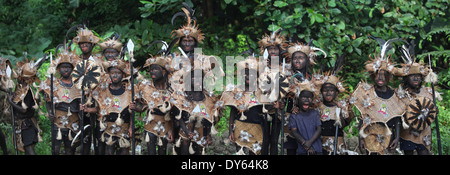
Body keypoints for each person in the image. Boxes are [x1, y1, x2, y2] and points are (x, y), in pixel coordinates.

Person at [350, 38, 406, 155]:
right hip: (369, 136)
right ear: (372, 76)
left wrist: (396, 137)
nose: (380, 78)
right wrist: (361, 138)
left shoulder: (395, 96)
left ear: (389, 77)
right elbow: (362, 117)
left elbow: (397, 119)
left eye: (384, 75)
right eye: (377, 75)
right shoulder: (367, 93)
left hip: (387, 136)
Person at [394, 41, 441, 155]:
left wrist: (434, 111)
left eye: (418, 76)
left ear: (421, 78)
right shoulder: (401, 94)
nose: (416, 78)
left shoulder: (428, 92)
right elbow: (397, 117)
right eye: (412, 76)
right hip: (407, 134)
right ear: (406, 78)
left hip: (424, 134)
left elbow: (433, 112)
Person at [282, 41, 327, 154]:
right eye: (295, 58)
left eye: (301, 58)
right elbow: (282, 98)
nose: (297, 60)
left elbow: (317, 100)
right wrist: (290, 108)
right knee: (291, 148)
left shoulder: (313, 79)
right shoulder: (286, 77)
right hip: (291, 117)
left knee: (308, 146)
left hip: (308, 119)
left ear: (307, 60)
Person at [222, 58, 273, 155]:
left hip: (257, 127)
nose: (249, 76)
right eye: (246, 74)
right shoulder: (236, 91)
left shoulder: (261, 91)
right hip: (239, 126)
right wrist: (230, 131)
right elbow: (233, 112)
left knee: (254, 153)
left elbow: (268, 108)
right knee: (240, 152)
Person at [86, 59, 138, 155]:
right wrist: (87, 109)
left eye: (118, 73)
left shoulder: (129, 92)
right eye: (112, 72)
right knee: (109, 151)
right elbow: (99, 109)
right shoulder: (103, 91)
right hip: (108, 128)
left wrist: (131, 127)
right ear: (109, 74)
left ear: (123, 75)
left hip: (124, 128)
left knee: (124, 151)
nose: (115, 75)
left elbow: (132, 113)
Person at [170, 68, 222, 155]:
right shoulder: (182, 97)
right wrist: (186, 132)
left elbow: (210, 118)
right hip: (185, 133)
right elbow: (178, 117)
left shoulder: (208, 98)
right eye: (193, 78)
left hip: (201, 134)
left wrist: (208, 134)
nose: (197, 80)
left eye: (199, 77)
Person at [39, 50, 82, 155]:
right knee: (56, 148)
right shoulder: (54, 84)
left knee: (70, 148)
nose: (66, 70)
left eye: (68, 67)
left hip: (74, 120)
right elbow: (48, 100)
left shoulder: (78, 85)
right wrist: (50, 112)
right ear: (58, 69)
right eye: (63, 67)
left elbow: (82, 102)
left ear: (72, 69)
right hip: (58, 120)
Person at [6, 57, 46, 154]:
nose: (19, 79)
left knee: (28, 149)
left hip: (27, 124)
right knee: (27, 149)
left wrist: (10, 102)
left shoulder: (28, 91)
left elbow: (24, 110)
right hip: (26, 124)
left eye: (23, 77)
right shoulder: (21, 90)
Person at [137, 54, 174, 155]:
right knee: (151, 151)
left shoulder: (172, 90)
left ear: (164, 71)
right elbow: (141, 106)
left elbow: (175, 113)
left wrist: (172, 129)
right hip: (151, 124)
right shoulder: (146, 87)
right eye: (151, 69)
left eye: (156, 69)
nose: (152, 71)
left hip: (165, 125)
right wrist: (136, 108)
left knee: (162, 151)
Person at [289, 81, 322, 155]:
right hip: (302, 150)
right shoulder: (294, 116)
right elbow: (294, 132)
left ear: (312, 100)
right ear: (298, 99)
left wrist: (309, 143)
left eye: (309, 98)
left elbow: (319, 129)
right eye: (303, 97)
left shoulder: (315, 113)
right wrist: (306, 144)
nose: (306, 100)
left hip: (317, 149)